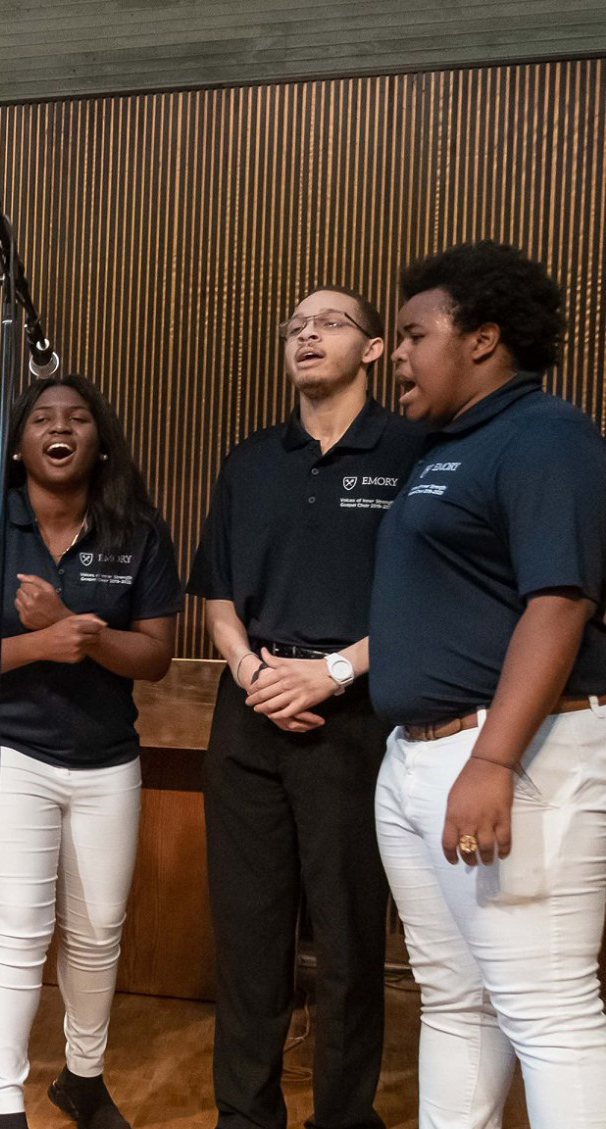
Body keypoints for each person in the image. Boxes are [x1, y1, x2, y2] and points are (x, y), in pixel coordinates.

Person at [368, 240, 606, 1128]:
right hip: (422, 757)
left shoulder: (546, 435)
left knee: (547, 1011)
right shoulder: (448, 446)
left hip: (512, 756)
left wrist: (493, 760)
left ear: (482, 339)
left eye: (412, 334)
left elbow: (559, 601)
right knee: (455, 998)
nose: (396, 354)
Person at [189, 289, 421, 1129]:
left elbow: (428, 600)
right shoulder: (252, 458)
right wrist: (254, 671)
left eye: (328, 323)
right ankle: (244, 1116)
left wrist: (330, 671)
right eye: (293, 326)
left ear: (372, 349)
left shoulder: (411, 451)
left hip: (354, 721)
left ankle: (343, 1117)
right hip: (248, 716)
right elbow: (216, 594)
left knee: (351, 943)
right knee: (248, 942)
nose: (306, 335)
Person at [0, 374, 182, 1129]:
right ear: (18, 445)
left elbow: (157, 656)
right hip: (7, 749)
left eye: (77, 418)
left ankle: (82, 1076)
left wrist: (83, 627)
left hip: (108, 757)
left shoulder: (138, 530)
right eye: (42, 418)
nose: (60, 427)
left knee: (100, 924)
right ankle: (3, 1096)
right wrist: (43, 640)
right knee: (18, 923)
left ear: (100, 444)